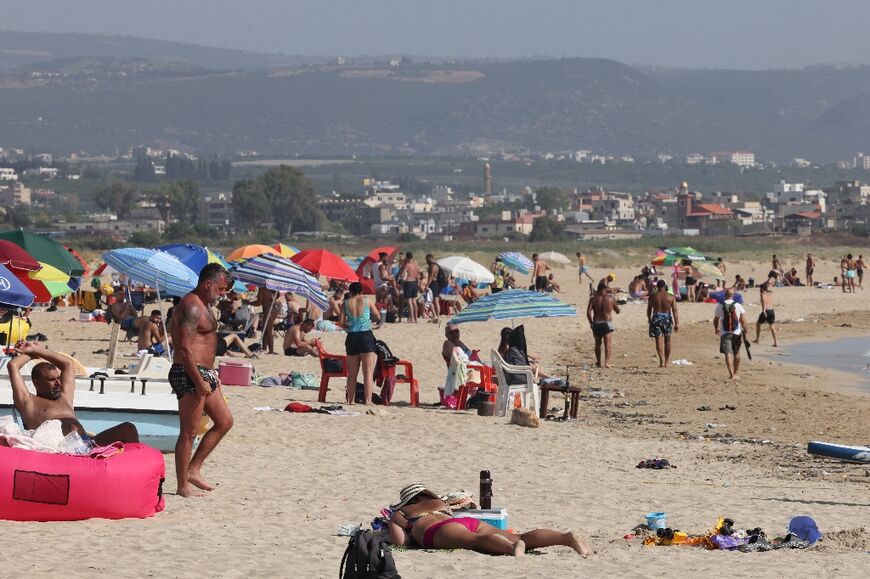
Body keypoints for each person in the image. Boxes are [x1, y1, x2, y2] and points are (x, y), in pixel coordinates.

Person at [169, 263, 234, 497]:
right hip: (188, 372)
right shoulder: (191, 306)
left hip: (204, 372)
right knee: (189, 431)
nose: (222, 293)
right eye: (220, 288)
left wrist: (209, 373)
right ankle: (182, 485)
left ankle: (193, 469)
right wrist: (197, 380)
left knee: (225, 421)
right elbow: (184, 348)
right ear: (208, 283)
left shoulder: (203, 305)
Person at [388, 483, 590, 557]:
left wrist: (394, 522)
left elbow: (401, 543)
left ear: (411, 499)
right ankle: (566, 538)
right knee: (519, 536)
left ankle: (511, 549)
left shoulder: (405, 511)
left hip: (439, 530)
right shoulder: (439, 503)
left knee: (474, 542)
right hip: (466, 521)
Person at [7, 341, 139, 446]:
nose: (58, 383)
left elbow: (68, 364)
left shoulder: (64, 397)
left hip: (87, 444)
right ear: (36, 383)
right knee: (69, 428)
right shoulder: (28, 402)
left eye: (58, 378)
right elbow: (13, 365)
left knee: (128, 428)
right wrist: (30, 354)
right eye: (52, 380)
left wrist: (38, 350)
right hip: (59, 449)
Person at [339, 281, 380, 405]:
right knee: (367, 371)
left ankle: (350, 400)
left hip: (352, 337)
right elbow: (377, 316)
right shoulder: (366, 300)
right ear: (361, 291)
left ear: (350, 292)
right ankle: (368, 400)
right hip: (366, 336)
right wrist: (367, 320)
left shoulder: (345, 303)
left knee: (352, 373)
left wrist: (351, 324)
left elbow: (341, 323)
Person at [713, 288, 748, 380]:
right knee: (737, 352)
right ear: (733, 296)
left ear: (725, 295)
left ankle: (731, 374)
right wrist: (745, 331)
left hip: (725, 332)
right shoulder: (738, 305)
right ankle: (736, 373)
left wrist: (716, 328)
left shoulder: (720, 305)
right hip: (736, 332)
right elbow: (743, 320)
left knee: (728, 353)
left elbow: (716, 319)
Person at [587, 283, 620, 368]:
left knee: (597, 344)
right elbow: (618, 311)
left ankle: (598, 362)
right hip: (606, 324)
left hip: (596, 324)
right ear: (605, 289)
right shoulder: (611, 298)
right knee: (607, 344)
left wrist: (591, 323)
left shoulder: (593, 299)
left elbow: (588, 313)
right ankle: (607, 363)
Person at [647, 279, 679, 368]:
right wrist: (677, 323)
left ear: (657, 287)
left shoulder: (652, 296)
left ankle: (661, 360)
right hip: (666, 318)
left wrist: (649, 319)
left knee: (658, 340)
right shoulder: (671, 296)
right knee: (667, 339)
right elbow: (675, 311)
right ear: (665, 286)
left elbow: (649, 310)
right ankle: (667, 361)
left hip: (656, 317)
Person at [753, 282, 779, 347]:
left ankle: (757, 339)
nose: (759, 290)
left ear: (762, 289)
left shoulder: (762, 294)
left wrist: (764, 311)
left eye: (760, 288)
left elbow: (764, 303)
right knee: (772, 327)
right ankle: (776, 342)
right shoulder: (770, 294)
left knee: (758, 324)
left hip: (766, 311)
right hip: (772, 311)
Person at [399, 251, 420, 323]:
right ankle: (416, 318)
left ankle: (412, 318)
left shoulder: (407, 265)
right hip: (415, 283)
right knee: (414, 301)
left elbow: (402, 275)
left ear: (407, 257)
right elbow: (417, 275)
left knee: (409, 301)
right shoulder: (415, 264)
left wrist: (401, 274)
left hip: (408, 283)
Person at [426, 254, 446, 320]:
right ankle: (437, 316)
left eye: (427, 259)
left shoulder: (432, 266)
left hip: (433, 284)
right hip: (437, 284)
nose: (426, 261)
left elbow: (431, 276)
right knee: (436, 301)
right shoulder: (437, 265)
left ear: (429, 259)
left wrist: (427, 285)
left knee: (430, 301)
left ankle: (434, 315)